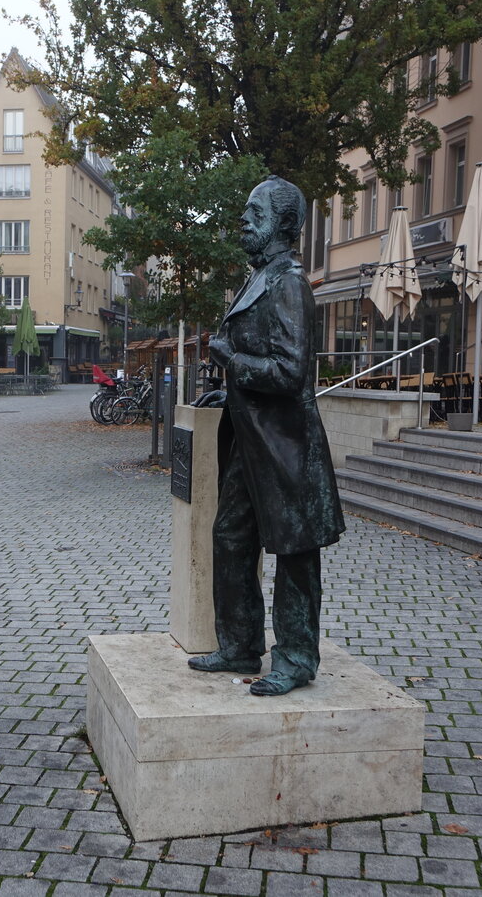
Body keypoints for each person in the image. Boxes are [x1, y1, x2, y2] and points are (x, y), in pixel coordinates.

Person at [189, 175, 346, 697]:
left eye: (254, 214)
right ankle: (239, 644)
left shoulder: (289, 284)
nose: (243, 221)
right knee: (231, 538)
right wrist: (228, 389)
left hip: (285, 446)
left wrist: (229, 359)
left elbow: (290, 371)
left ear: (282, 224)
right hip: (250, 438)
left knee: (294, 553)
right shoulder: (258, 277)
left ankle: (297, 657)